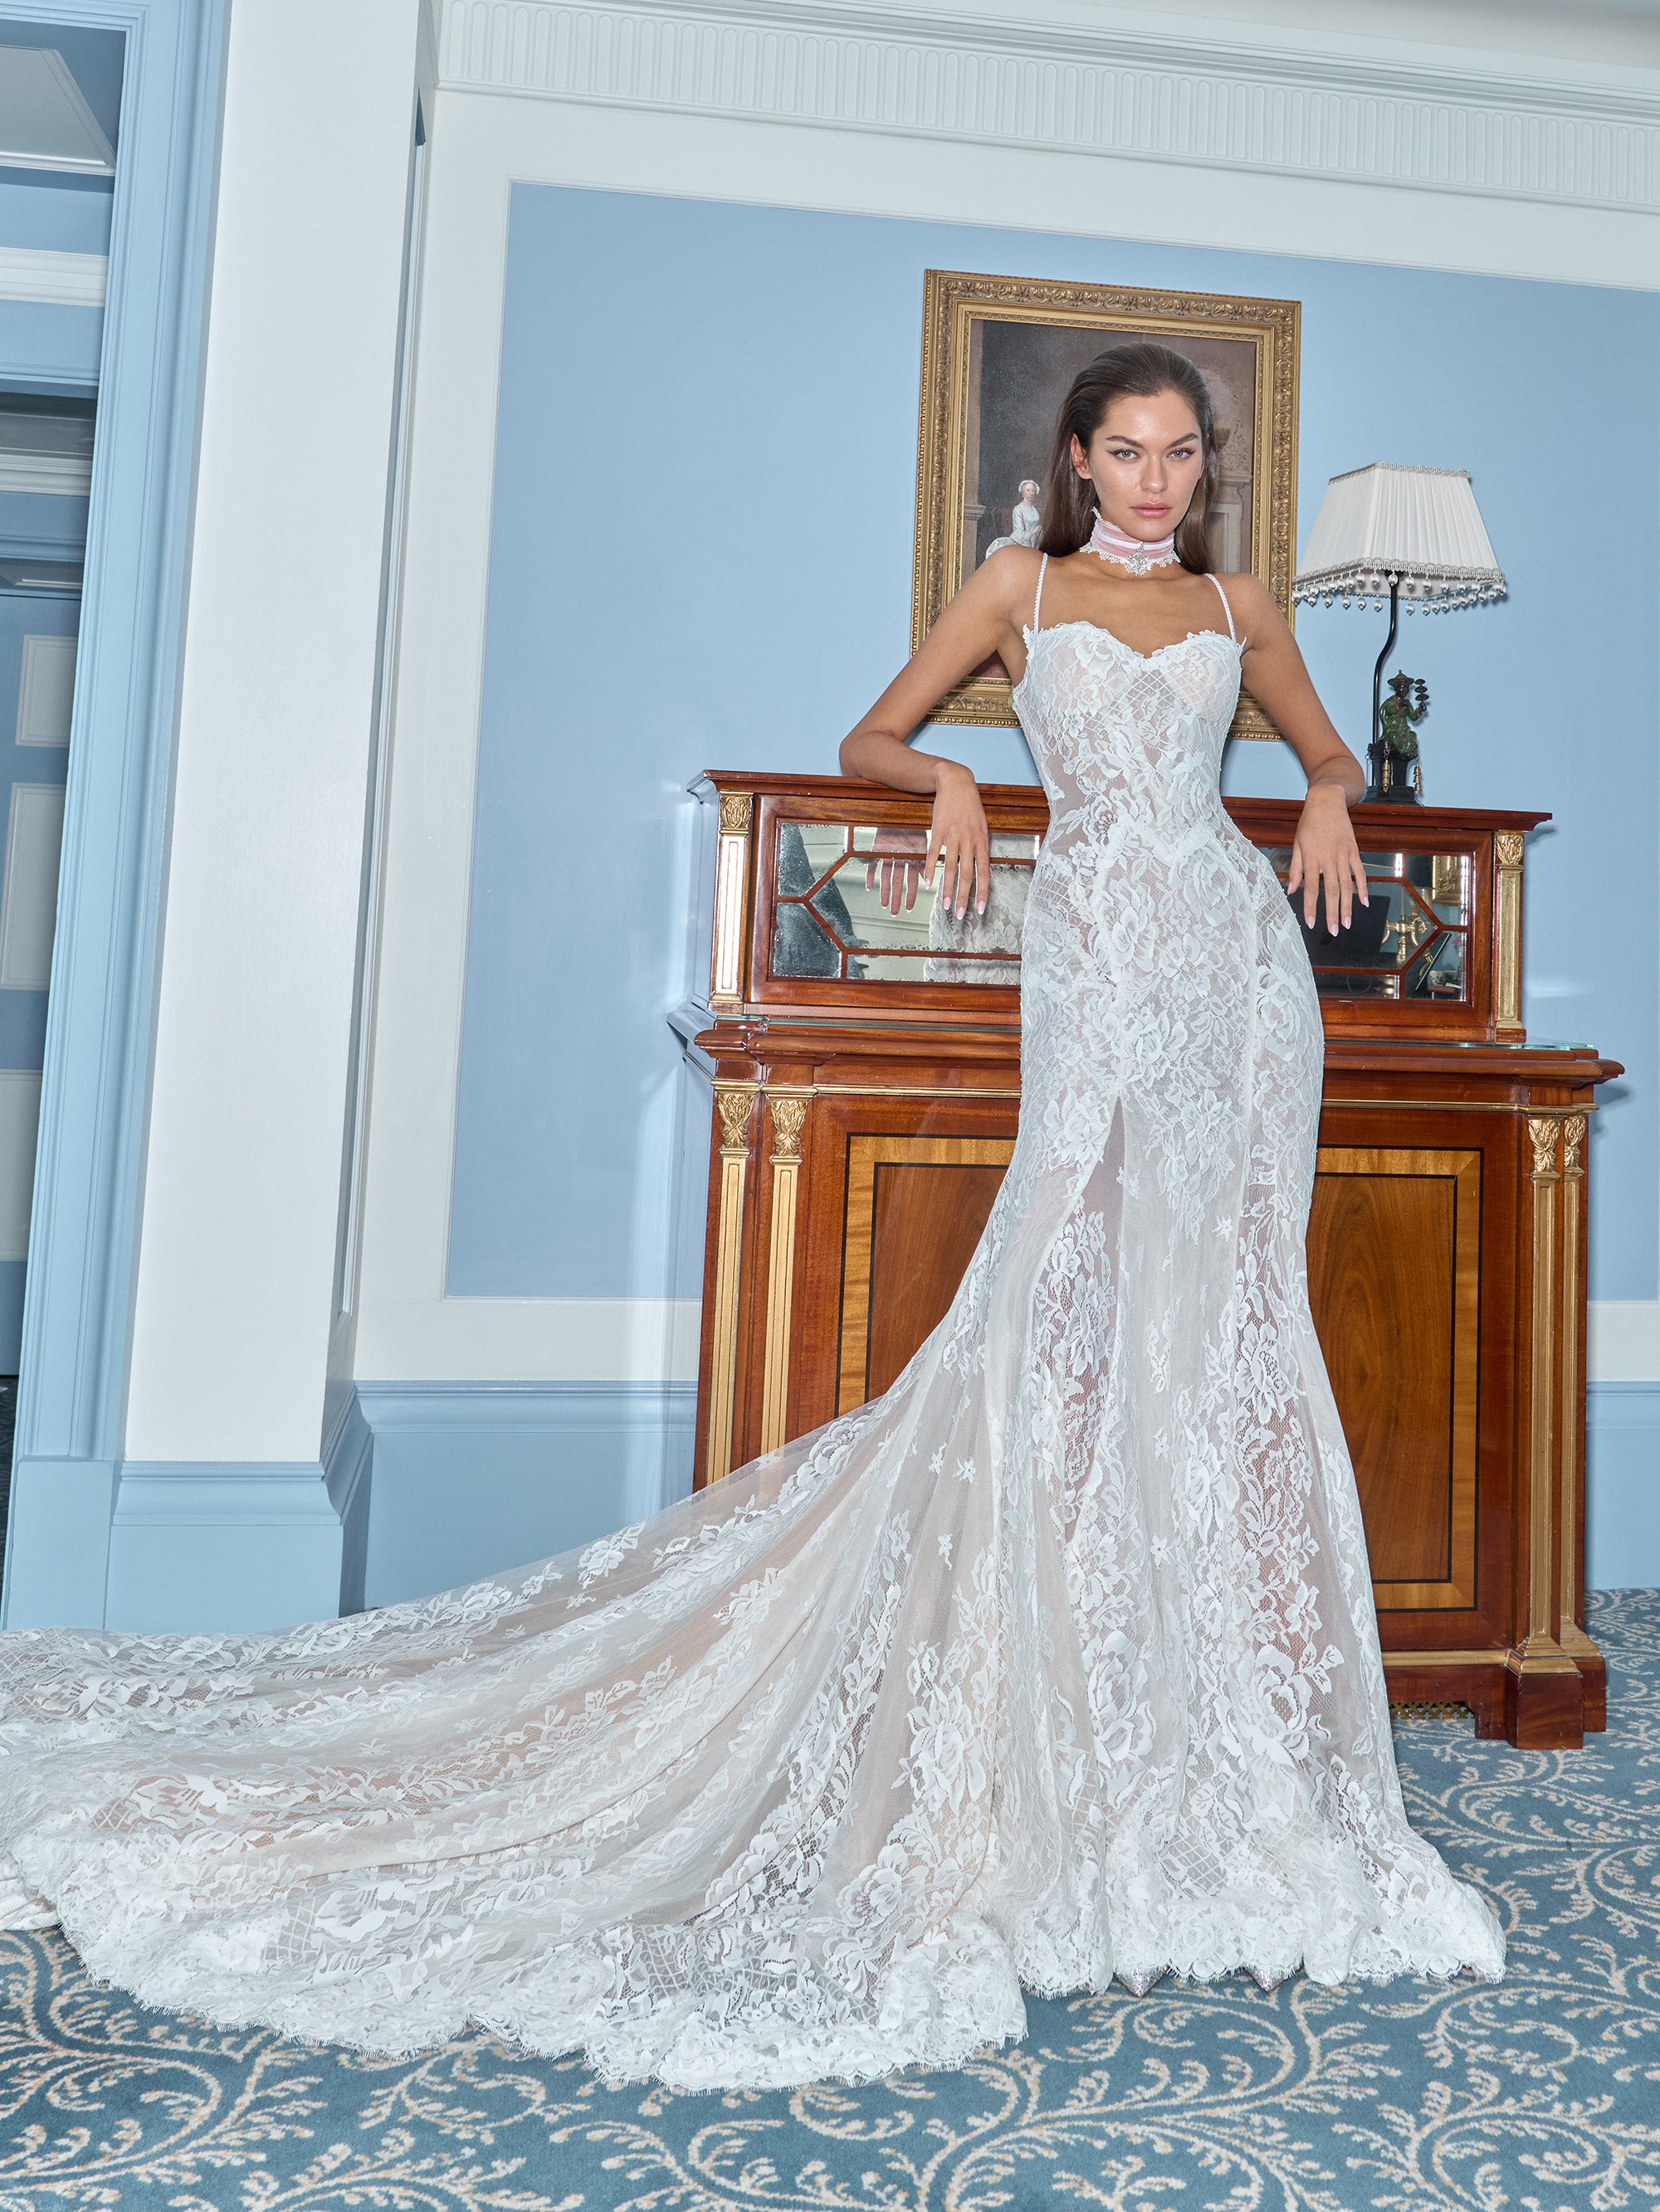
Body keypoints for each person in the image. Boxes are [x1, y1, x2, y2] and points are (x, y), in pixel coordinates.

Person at [0, 342, 1506, 2095]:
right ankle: (1044, 1713)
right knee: (1058, 1297)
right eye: (1127, 450)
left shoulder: (1244, 601)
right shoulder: (1016, 584)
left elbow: (1322, 744)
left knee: (1223, 1315)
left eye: (1181, 452)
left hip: (1241, 981)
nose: (1156, 479)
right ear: (1080, 460)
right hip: (1096, 949)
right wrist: (945, 780)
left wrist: (1324, 786)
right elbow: (870, 730)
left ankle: (1205, 1728)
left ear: (1204, 467)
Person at [983, 476, 1042, 558]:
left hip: (1034, 543)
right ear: (1023, 493)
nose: (1031, 493)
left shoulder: (1035, 510)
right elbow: (1018, 532)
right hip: (1020, 543)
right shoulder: (1018, 509)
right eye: (1028, 490)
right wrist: (1034, 531)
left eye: (1033, 491)